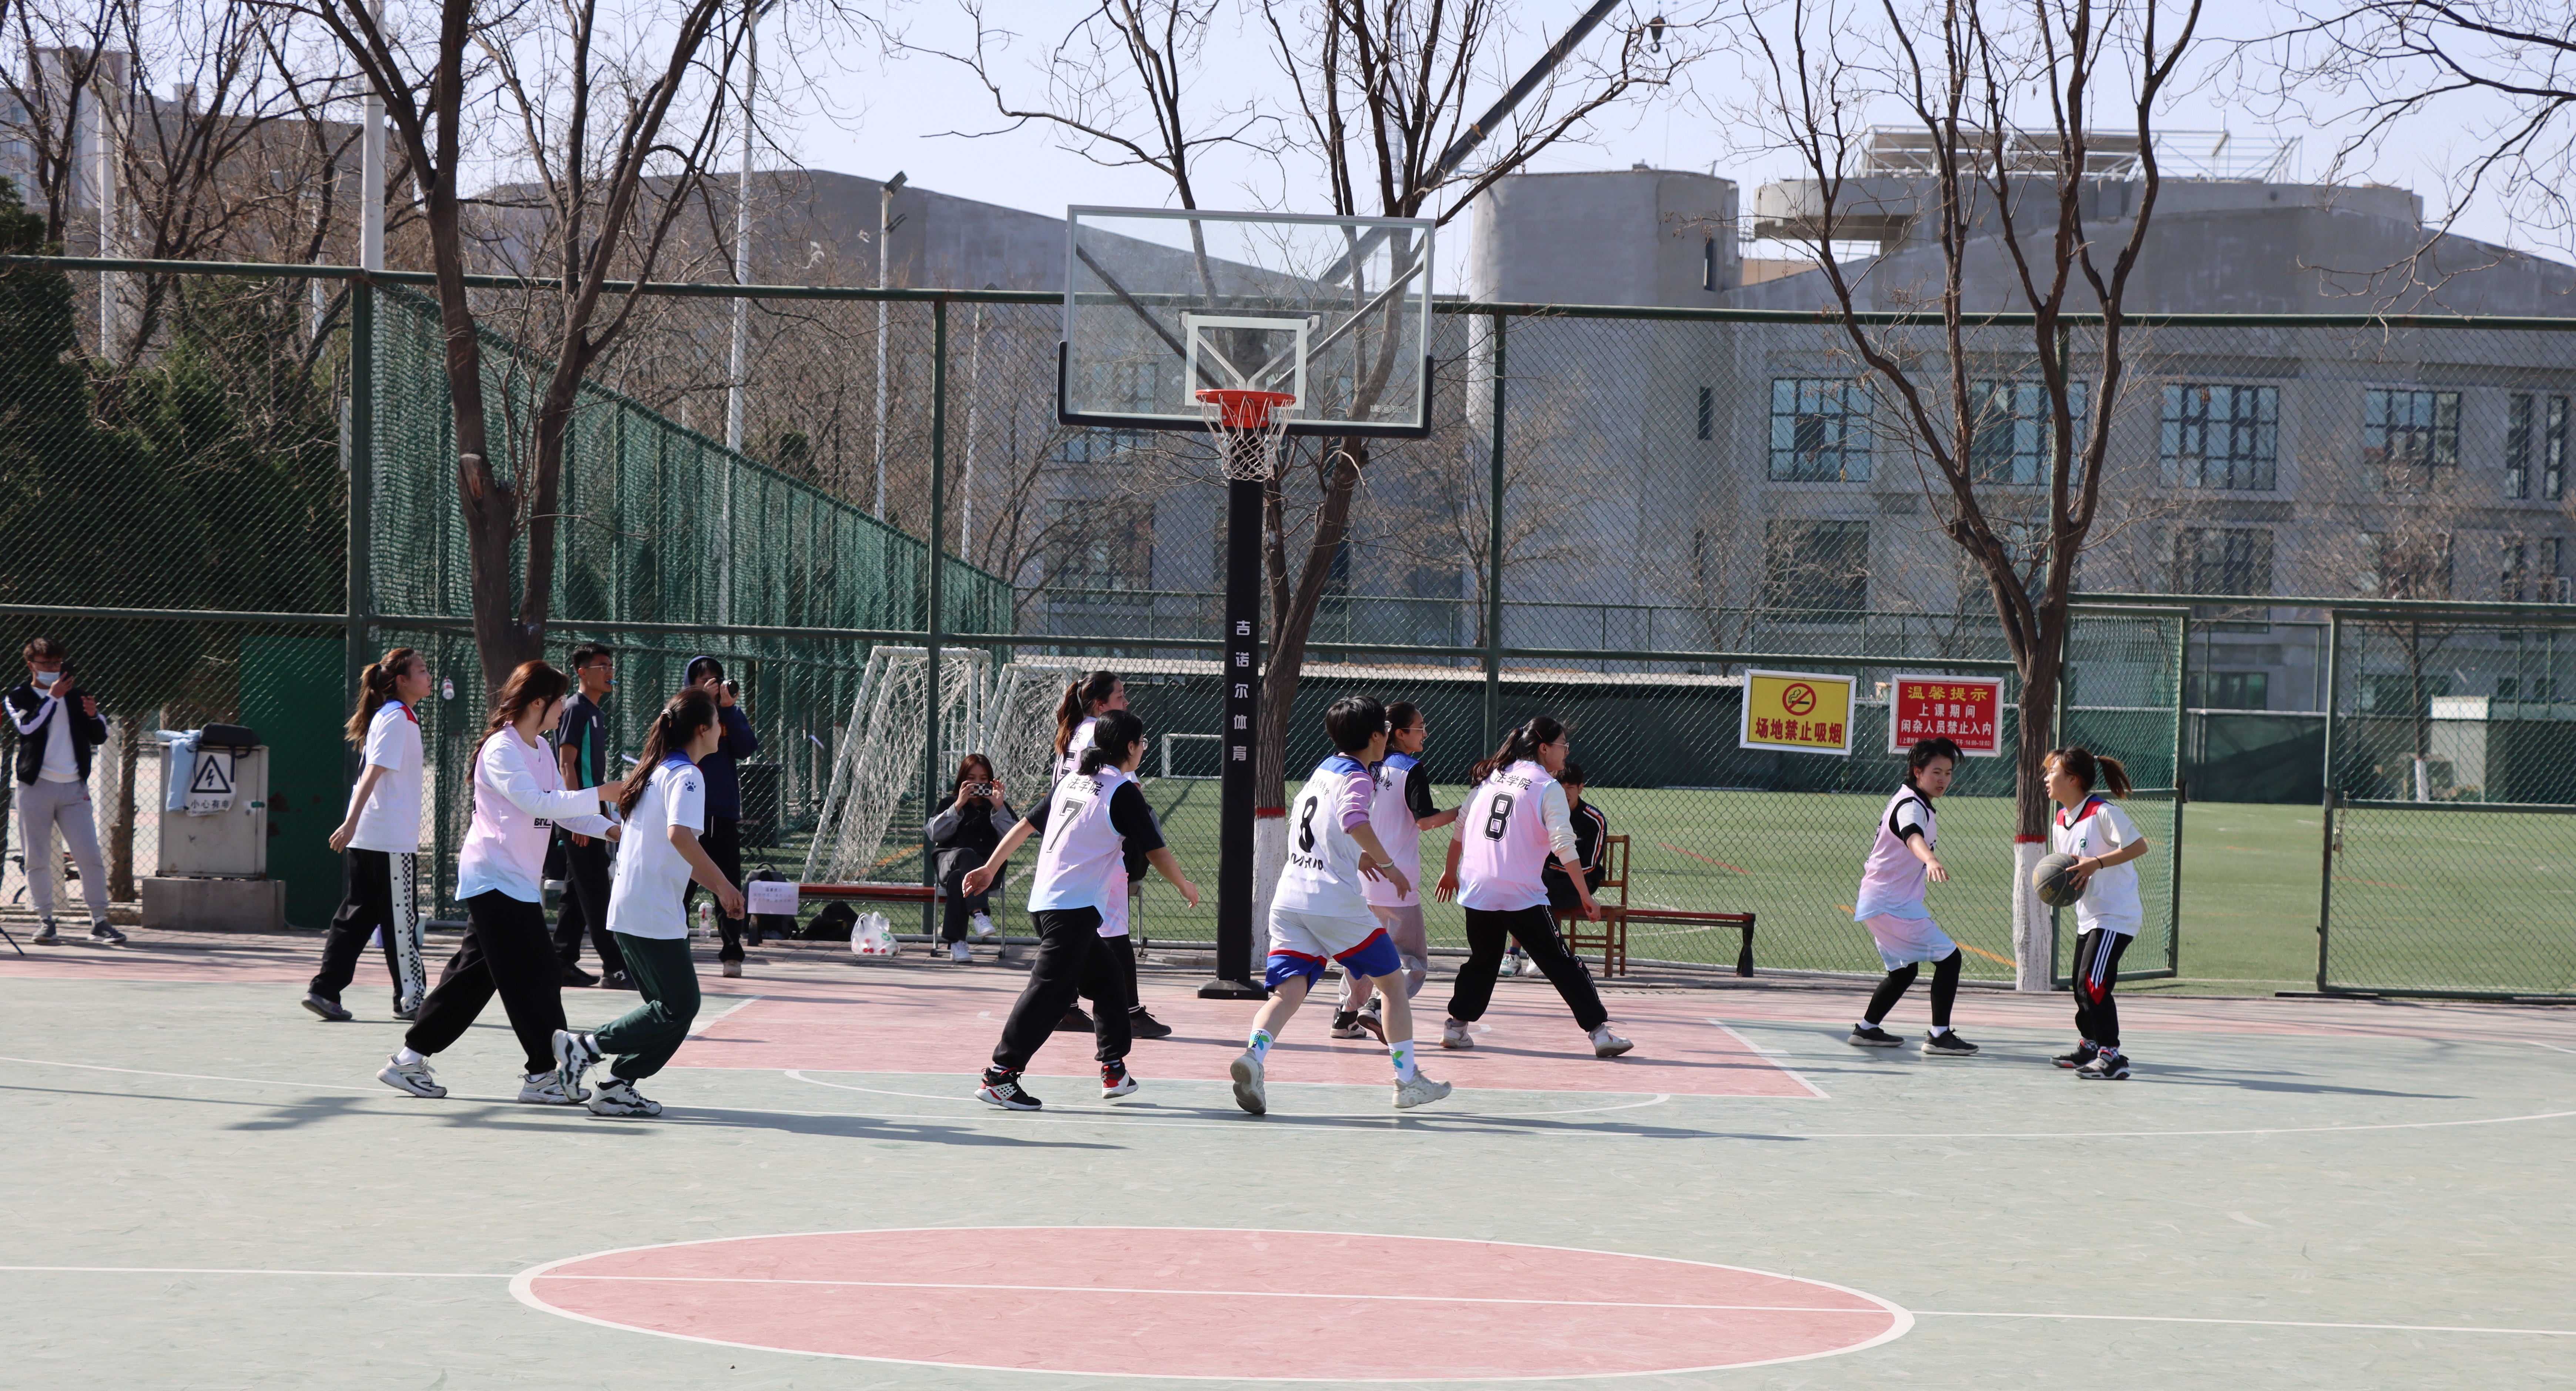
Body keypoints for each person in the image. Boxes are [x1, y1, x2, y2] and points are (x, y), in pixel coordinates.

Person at [376, 661, 623, 1103]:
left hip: (516, 881)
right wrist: (603, 793)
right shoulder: (501, 749)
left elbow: (561, 807)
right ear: (537, 703)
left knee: (471, 980)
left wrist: (612, 829)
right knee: (538, 975)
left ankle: (408, 1061)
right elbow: (535, 802)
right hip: (494, 878)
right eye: (558, 702)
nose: (563, 709)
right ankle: (543, 1075)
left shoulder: (541, 748)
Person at [963, 710, 1200, 1111]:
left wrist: (991, 867)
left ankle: (1114, 1070)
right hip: (1070, 910)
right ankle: (1000, 1075)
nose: (1144, 749)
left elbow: (1024, 826)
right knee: (1049, 993)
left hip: (1050, 903)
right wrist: (1184, 884)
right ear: (1130, 747)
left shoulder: (1071, 780)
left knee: (1108, 980)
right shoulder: (1121, 791)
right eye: (1143, 743)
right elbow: (1155, 850)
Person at [1229, 696, 1453, 1115]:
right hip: (1332, 903)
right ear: (1377, 736)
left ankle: (1253, 1058)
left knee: (1288, 993)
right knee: (1393, 985)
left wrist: (1359, 857)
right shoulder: (1359, 777)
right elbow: (1352, 819)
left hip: (1290, 900)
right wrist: (1388, 864)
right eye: (1385, 730)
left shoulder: (1323, 771)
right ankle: (1408, 1081)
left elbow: (1318, 828)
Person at [551, 689, 742, 1118]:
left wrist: (719, 887)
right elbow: (681, 837)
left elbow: (676, 849)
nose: (722, 729)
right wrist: (725, 887)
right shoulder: (688, 776)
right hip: (651, 908)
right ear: (702, 729)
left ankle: (617, 1087)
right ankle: (586, 1047)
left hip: (632, 906)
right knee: (681, 1007)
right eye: (717, 721)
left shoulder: (654, 772)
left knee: (672, 1010)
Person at [1434, 716, 1633, 1059]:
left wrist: (1450, 872)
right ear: (1544, 748)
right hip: (1521, 893)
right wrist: (1586, 895)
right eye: (1563, 745)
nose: (1566, 752)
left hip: (1479, 888)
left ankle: (1456, 1026)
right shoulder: (1546, 786)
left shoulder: (1492, 777)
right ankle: (1600, 1033)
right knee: (1562, 962)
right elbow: (1564, 845)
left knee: (1482, 960)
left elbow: (1460, 829)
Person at [304, 647, 433, 1021]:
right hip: (388, 839)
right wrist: (350, 822)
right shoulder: (397, 718)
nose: (428, 676)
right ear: (402, 681)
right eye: (421, 671)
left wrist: (354, 824)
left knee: (358, 917)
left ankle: (325, 990)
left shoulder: (393, 716)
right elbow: (373, 773)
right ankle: (412, 999)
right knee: (401, 920)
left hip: (373, 836)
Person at [1047, 670, 1171, 1040]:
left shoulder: (1074, 731)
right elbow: (1127, 795)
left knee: (1080, 929)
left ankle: (1066, 1006)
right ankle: (1129, 1013)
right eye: (1120, 696)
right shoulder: (1100, 736)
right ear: (1101, 706)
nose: (1126, 702)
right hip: (1098, 844)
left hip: (1068, 842)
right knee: (1113, 929)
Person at [1845, 737, 1980, 1058]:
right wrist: (1930, 859)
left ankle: (1866, 1029)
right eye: (1936, 772)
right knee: (1950, 958)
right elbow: (1911, 835)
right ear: (1917, 771)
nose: (1943, 779)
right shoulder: (1910, 806)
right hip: (1891, 903)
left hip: (1882, 900)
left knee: (1904, 971)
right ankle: (1940, 1035)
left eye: (1948, 772)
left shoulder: (1915, 801)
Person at [1331, 700, 1454, 1041]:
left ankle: (1346, 1015)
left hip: (1362, 876)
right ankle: (1376, 1006)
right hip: (1396, 879)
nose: (1425, 733)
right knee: (1412, 959)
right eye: (1420, 727)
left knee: (1361, 951)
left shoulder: (1366, 766)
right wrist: (1463, 810)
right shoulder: (1411, 769)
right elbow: (1425, 821)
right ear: (1400, 733)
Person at [6, 638, 121, 945]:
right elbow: (28, 728)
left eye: (57, 663)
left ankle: (100, 921)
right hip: (35, 787)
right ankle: (45, 920)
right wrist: (52, 698)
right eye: (46, 663)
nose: (53, 668)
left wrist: (94, 715)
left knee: (89, 854)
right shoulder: (18, 696)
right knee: (37, 856)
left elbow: (99, 736)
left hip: (74, 789)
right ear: (31, 665)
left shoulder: (77, 695)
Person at [2047, 745, 2152, 1081]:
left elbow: (2139, 846)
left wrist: (2096, 863)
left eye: (2053, 771)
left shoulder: (2103, 812)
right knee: (2080, 986)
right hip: (2090, 915)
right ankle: (2090, 1044)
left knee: (2093, 984)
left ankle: (2112, 1055)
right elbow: (2065, 869)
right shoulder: (2060, 820)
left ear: (2073, 779)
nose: (2047, 778)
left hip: (2115, 914)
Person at [551, 643, 629, 989]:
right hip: (579, 812)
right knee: (597, 889)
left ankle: (561, 962)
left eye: (611, 665)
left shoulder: (596, 712)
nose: (610, 671)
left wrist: (599, 810)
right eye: (602, 666)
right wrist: (579, 814)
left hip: (591, 810)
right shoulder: (575, 709)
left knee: (577, 889)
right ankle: (615, 968)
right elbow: (566, 764)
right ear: (582, 673)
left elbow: (589, 770)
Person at [680, 656, 759, 978]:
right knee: (681, 886)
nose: (713, 685)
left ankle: (732, 952)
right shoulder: (681, 714)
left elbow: (747, 747)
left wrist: (728, 710)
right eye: (705, 680)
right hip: (688, 816)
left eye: (717, 678)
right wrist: (701, 704)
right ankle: (678, 949)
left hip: (723, 814)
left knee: (727, 884)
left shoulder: (726, 716)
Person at [928, 753, 1014, 963]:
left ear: (991, 781)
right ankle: (979, 914)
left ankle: (957, 943)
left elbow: (1013, 838)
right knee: (966, 854)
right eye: (971, 779)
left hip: (987, 870)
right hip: (949, 860)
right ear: (962, 780)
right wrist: (958, 805)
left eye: (983, 779)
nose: (977, 784)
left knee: (959, 878)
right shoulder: (949, 803)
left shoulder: (998, 806)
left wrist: (999, 808)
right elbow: (934, 834)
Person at [1532, 760, 1610, 975]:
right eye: (1560, 787)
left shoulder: (1594, 820)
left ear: (1581, 788)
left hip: (1579, 883)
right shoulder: (1545, 813)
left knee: (1540, 891)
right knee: (1525, 887)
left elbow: (1589, 865)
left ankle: (1542, 953)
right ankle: (1513, 954)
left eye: (1571, 787)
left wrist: (1553, 865)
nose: (1565, 793)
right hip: (1545, 877)